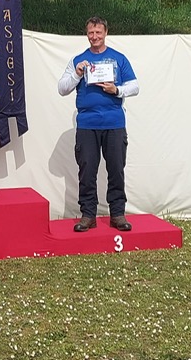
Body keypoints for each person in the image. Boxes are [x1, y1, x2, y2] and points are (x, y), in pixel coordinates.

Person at [58, 16, 139, 232]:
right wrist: (77, 74)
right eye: (91, 33)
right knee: (87, 171)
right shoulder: (78, 60)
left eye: (98, 32)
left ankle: (118, 214)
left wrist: (117, 90)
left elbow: (135, 86)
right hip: (87, 124)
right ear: (87, 34)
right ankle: (88, 215)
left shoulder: (119, 59)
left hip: (114, 123)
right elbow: (62, 88)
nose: (94, 37)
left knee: (116, 170)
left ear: (105, 33)